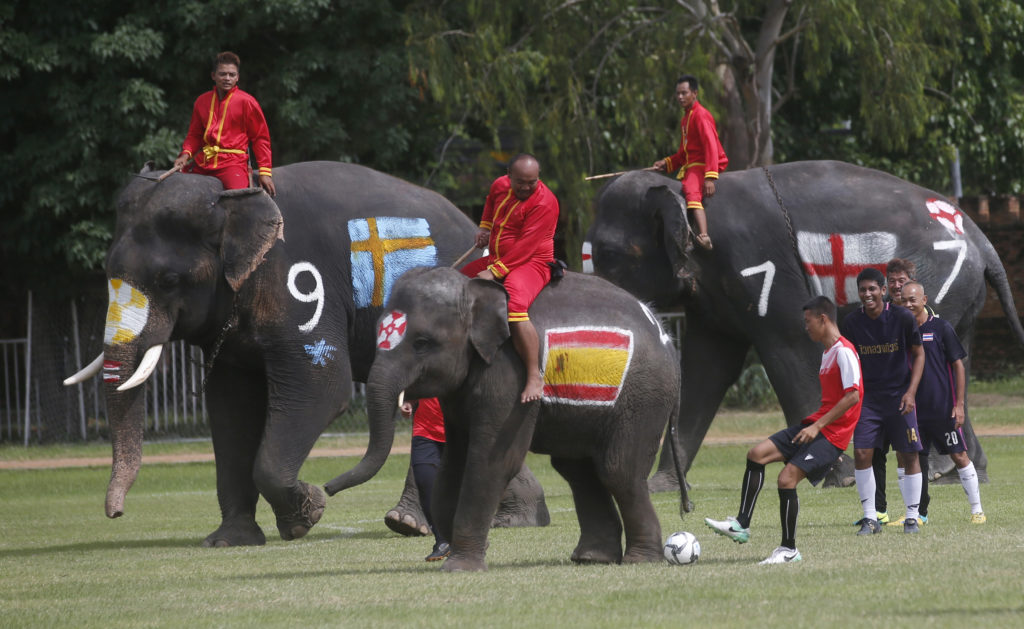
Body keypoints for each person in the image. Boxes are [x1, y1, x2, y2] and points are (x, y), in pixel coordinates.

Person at [704, 295, 862, 564]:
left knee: (786, 479)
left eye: (808, 321)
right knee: (757, 454)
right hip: (815, 425)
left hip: (831, 435)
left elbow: (853, 396)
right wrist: (814, 425)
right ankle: (741, 524)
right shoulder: (827, 353)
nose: (806, 327)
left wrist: (818, 427)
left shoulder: (844, 351)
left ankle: (789, 550)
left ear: (823, 319)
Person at [461, 153, 559, 403]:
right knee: (457, 284)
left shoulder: (545, 203)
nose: (527, 187)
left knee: (515, 304)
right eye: (521, 182)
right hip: (496, 256)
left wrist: (494, 272)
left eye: (532, 182)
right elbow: (491, 203)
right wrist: (484, 227)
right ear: (509, 177)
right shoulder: (499, 185)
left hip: (532, 263)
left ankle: (533, 375)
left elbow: (527, 247)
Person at [842, 268, 925, 535]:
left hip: (899, 397)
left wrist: (911, 392)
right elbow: (848, 359)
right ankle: (870, 518)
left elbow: (919, 353)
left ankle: (912, 517)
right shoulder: (852, 322)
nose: (867, 294)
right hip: (868, 401)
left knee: (908, 453)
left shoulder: (901, 317)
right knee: (862, 453)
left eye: (872, 289)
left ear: (883, 290)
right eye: (863, 290)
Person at [901, 282, 986, 523]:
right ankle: (915, 514)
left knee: (959, 456)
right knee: (913, 459)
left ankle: (977, 510)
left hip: (942, 410)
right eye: (904, 300)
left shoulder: (941, 327)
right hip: (913, 412)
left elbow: (958, 365)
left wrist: (958, 405)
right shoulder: (901, 331)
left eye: (912, 299)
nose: (908, 304)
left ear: (924, 299)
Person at [173, 51, 276, 196]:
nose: (227, 78)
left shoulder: (247, 102)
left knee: (239, 200)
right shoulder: (201, 101)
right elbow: (195, 135)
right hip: (204, 162)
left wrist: (265, 172)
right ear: (213, 76)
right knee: (177, 189)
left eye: (232, 75)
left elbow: (260, 138)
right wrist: (185, 155)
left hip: (232, 164)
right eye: (222, 74)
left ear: (237, 78)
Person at [652, 74, 728, 251]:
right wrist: (666, 163)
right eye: (678, 94)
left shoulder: (701, 115)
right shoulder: (686, 118)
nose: (680, 97)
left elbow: (711, 146)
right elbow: (683, 154)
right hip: (693, 163)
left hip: (703, 164)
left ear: (695, 93)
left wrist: (710, 177)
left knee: (691, 188)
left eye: (684, 93)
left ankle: (704, 236)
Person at [400, 397, 451, 561]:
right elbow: (416, 380)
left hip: (458, 432)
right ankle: (442, 541)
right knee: (424, 483)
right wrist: (408, 401)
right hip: (425, 431)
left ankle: (470, 538)